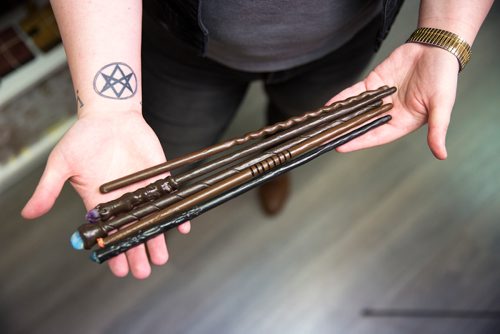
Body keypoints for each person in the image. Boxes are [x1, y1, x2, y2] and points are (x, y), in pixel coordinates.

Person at [21, 0, 494, 279]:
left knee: (300, 124)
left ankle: (275, 172)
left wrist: (446, 35)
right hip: (178, 44)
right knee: (172, 161)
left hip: (344, 41)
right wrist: (110, 108)